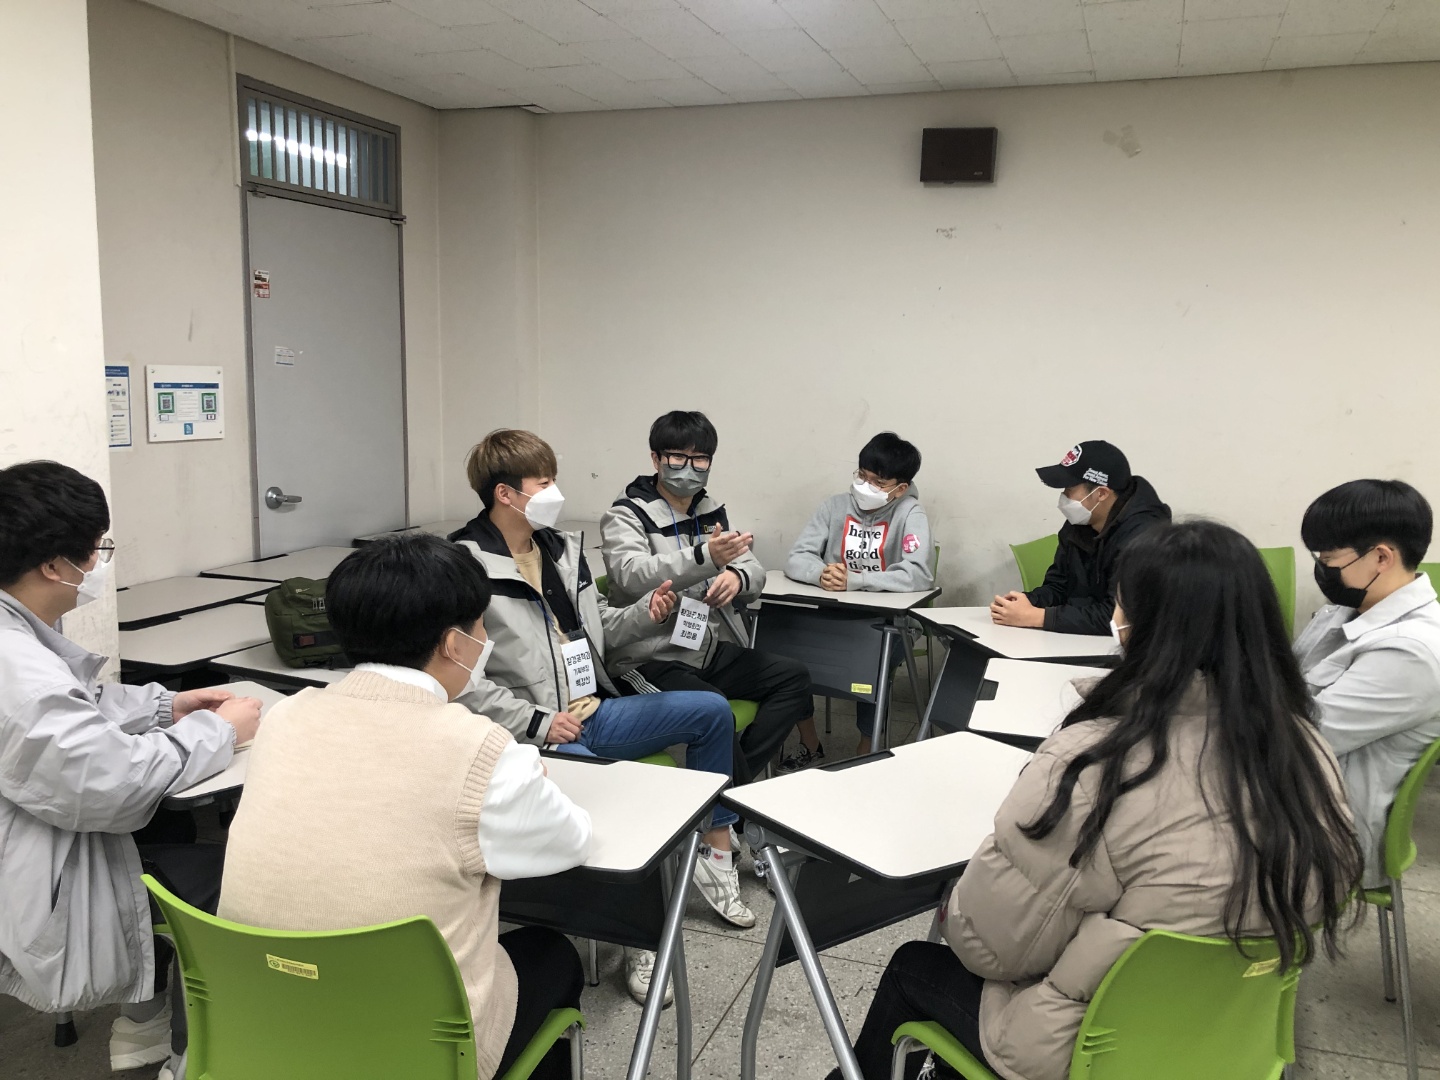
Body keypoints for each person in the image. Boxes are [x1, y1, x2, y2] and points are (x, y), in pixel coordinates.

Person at [833, 521, 1362, 1080]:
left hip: (1091, 1050)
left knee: (915, 965)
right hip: (1226, 1040)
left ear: (1143, 625)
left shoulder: (1095, 764)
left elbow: (990, 949)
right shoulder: (1306, 749)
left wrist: (958, 900)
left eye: (1119, 603)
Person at [219, 534, 590, 1080]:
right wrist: (523, 777)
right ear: (454, 644)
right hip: (413, 1050)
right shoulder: (480, 749)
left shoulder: (285, 717)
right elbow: (570, 840)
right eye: (481, 627)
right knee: (552, 955)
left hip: (265, 1023)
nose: (485, 640)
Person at [449, 429, 754, 1004]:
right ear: (505, 494)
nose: (555, 492)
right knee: (614, 800)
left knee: (711, 712)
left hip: (593, 708)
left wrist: (645, 614)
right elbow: (460, 678)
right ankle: (637, 936)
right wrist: (537, 723)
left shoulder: (562, 549)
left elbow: (596, 634)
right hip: (531, 732)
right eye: (543, 482)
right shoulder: (462, 565)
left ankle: (715, 852)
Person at [0, 461, 260, 1080]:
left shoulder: (18, 638)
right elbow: (118, 785)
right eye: (97, 549)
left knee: (173, 832)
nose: (98, 564)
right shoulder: (18, 671)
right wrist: (220, 730)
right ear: (54, 565)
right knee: (235, 881)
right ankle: (194, 1056)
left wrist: (169, 706)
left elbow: (78, 709)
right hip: (41, 869)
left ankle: (142, 1022)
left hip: (46, 828)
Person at [601, 410, 816, 785]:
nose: (689, 468)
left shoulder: (708, 508)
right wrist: (706, 558)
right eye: (677, 457)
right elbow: (632, 575)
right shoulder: (626, 514)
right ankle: (731, 796)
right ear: (656, 459)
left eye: (700, 459)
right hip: (647, 658)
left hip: (701, 647)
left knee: (793, 678)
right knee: (715, 708)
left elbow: (754, 570)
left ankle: (733, 785)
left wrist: (736, 575)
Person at [1296, 479, 1440, 888]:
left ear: (1381, 557)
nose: (1322, 569)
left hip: (1328, 829)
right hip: (1296, 792)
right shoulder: (1346, 612)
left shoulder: (1411, 653)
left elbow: (1300, 737)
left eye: (1329, 558)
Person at [786, 432, 932, 761]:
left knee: (872, 661)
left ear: (900, 488)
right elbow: (797, 557)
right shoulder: (834, 506)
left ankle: (866, 748)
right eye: (862, 476)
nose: (866, 486)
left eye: (879, 482)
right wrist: (820, 574)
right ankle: (809, 744)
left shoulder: (911, 514)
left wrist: (857, 580)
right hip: (831, 613)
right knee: (789, 656)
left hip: (888, 621)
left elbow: (918, 574)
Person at [991, 441, 1170, 635]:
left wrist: (1039, 617)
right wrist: (1027, 602)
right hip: (1078, 640)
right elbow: (1059, 586)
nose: (1063, 497)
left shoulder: (1145, 538)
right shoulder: (1080, 523)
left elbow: (1119, 617)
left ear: (1101, 493)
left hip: (1122, 647)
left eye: (1069, 490)